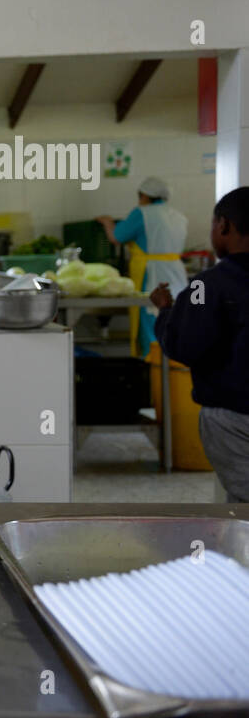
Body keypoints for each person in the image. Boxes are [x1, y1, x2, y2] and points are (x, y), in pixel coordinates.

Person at [150, 187, 249, 502]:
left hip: (232, 420)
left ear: (224, 226)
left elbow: (186, 347)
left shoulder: (204, 286)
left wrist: (165, 311)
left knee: (245, 505)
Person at [96, 176, 188, 357]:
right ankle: (171, 376)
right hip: (177, 274)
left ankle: (154, 373)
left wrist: (108, 223)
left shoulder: (142, 213)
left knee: (151, 325)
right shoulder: (178, 216)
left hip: (152, 274)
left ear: (144, 196)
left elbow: (117, 237)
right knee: (174, 323)